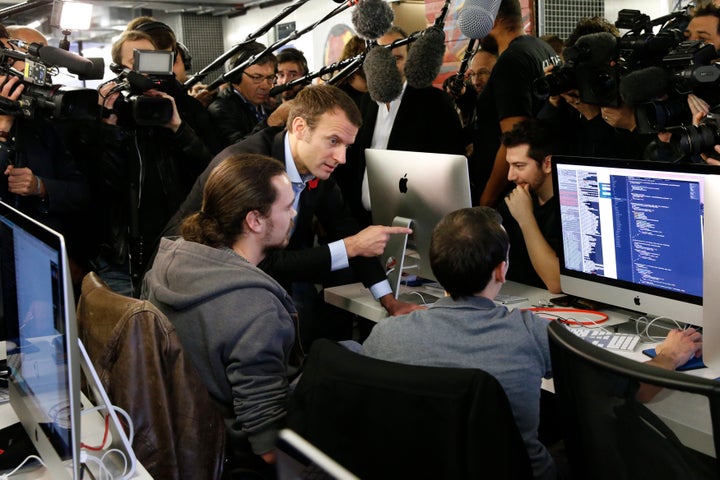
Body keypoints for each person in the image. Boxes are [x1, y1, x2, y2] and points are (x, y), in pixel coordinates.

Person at [363, 206, 704, 480]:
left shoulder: (385, 336)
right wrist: (668, 358)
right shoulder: (530, 332)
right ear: (501, 271)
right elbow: (630, 389)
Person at [163, 84, 420, 347]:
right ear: (299, 128)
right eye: (333, 141)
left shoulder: (318, 168)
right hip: (190, 287)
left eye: (347, 146)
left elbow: (347, 229)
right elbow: (254, 261)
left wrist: (389, 300)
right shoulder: (248, 167)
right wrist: (349, 248)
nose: (341, 157)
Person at [143, 153, 301, 479]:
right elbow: (268, 446)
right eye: (286, 207)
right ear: (255, 220)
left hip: (176, 445)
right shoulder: (259, 310)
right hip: (231, 461)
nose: (294, 213)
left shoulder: (167, 262)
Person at [82, 30, 212, 296]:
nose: (142, 71)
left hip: (173, 251)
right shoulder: (103, 113)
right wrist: (108, 124)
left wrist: (177, 127)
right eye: (134, 62)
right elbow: (100, 184)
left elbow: (209, 173)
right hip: (119, 258)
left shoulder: (183, 108)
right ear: (118, 68)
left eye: (149, 60)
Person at [338, 25, 464, 227]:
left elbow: (451, 169)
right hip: (362, 223)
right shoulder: (365, 103)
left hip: (414, 225)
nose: (389, 66)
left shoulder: (434, 102)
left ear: (409, 61)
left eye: (397, 58)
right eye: (383, 57)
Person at [0, 26, 92, 286]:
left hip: (40, 267)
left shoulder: (41, 125)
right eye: (18, 59)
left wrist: (41, 186)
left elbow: (81, 193)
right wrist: (3, 126)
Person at [469, 0, 561, 206]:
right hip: (538, 184)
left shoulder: (510, 61)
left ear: (495, 18)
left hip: (512, 191)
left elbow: (513, 140)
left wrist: (487, 199)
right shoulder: (542, 48)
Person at [494, 119, 560, 293]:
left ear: (547, 164)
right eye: (509, 165)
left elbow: (556, 283)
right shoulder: (517, 196)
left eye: (519, 166)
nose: (510, 176)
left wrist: (525, 218)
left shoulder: (569, 210)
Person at [208, 41, 277, 149]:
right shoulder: (221, 109)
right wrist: (272, 121)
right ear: (236, 76)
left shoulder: (265, 104)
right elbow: (237, 151)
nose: (265, 86)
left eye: (269, 78)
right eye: (257, 77)